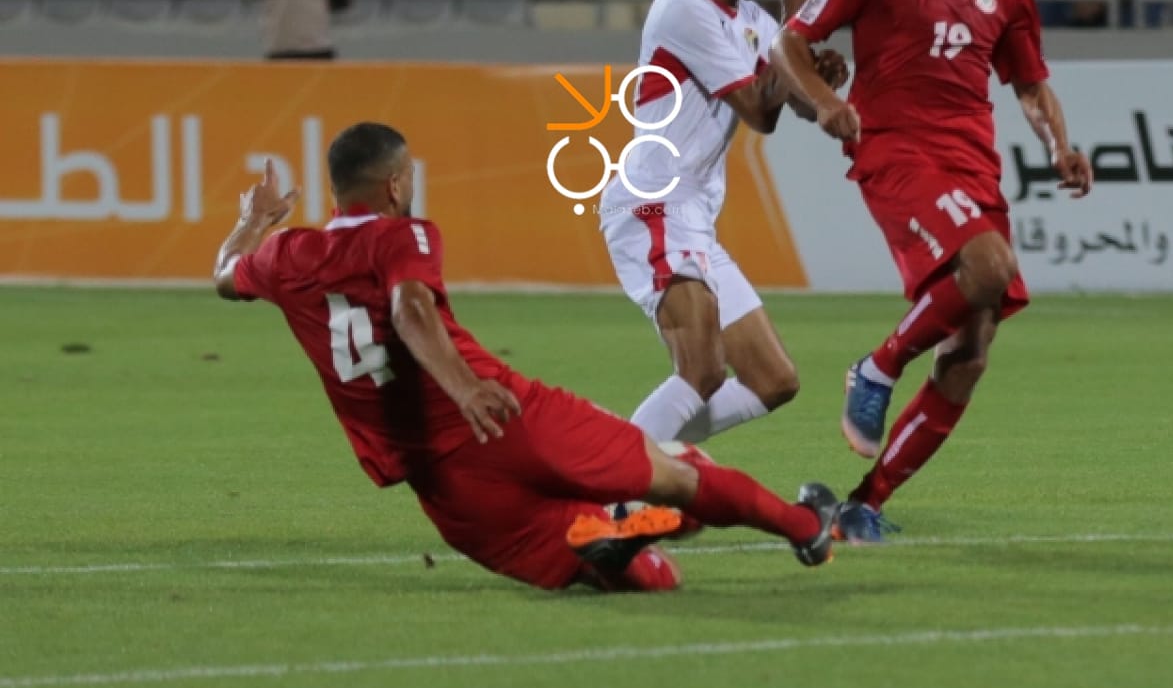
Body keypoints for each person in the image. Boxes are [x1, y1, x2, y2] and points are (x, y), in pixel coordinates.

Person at [213, 124, 841, 592]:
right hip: (507, 417)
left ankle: (616, 535)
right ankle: (803, 528)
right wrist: (464, 388)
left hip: (447, 488)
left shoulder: (284, 257)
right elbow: (409, 308)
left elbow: (224, 272)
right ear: (396, 184)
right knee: (680, 473)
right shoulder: (404, 235)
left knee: (652, 578)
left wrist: (254, 220)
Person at [770, 0, 1094, 543]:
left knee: (971, 352)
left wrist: (1061, 146)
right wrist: (826, 104)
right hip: (896, 152)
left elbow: (1030, 86)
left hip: (973, 167)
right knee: (989, 266)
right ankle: (877, 368)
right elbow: (788, 41)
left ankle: (865, 504)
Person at [601, 0, 848, 446]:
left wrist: (814, 77)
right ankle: (619, 478)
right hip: (655, 202)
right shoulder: (683, 8)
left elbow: (792, 105)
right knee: (702, 370)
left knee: (773, 379)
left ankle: (647, 452)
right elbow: (760, 111)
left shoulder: (753, 20)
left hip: (692, 215)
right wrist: (795, 30)